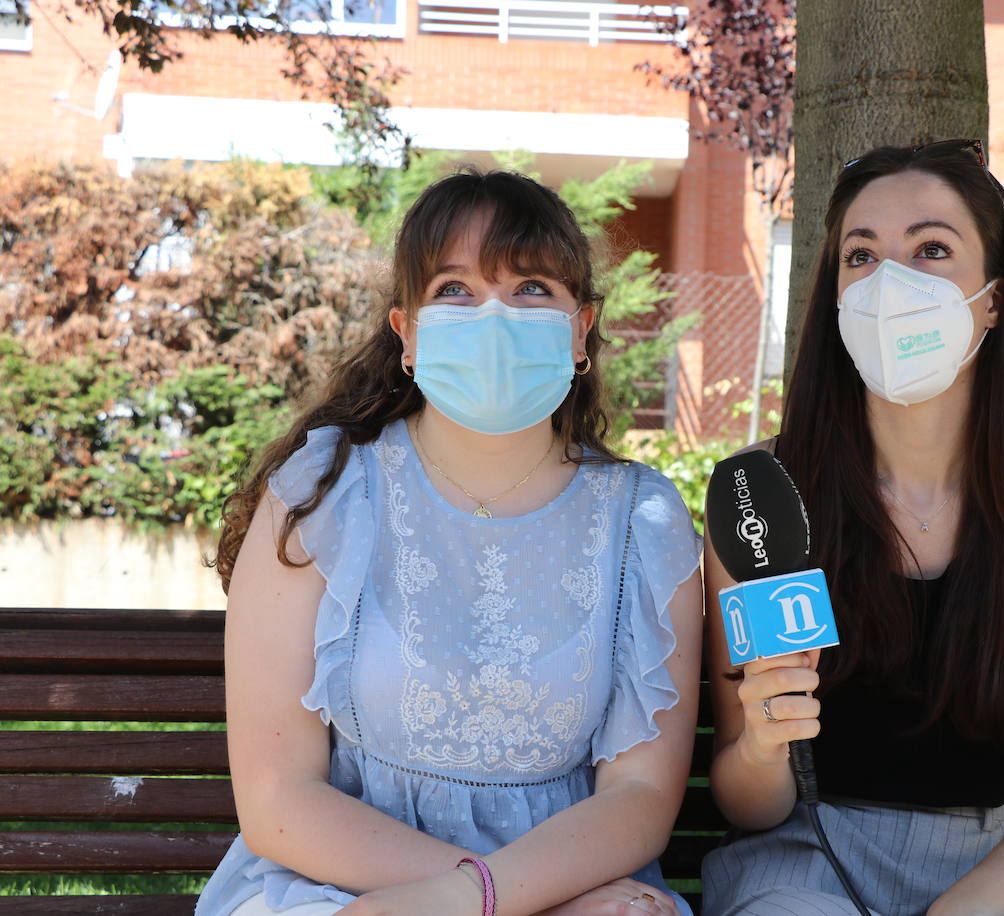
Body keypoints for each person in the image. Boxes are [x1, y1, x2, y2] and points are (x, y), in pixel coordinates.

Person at [196, 168, 703, 916]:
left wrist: (493, 898)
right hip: (340, 886)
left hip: (581, 893)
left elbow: (641, 793)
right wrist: (499, 901)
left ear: (582, 328)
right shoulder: (323, 495)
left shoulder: (644, 521)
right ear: (406, 332)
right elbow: (278, 801)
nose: (493, 316)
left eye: (531, 288)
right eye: (455, 290)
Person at [699, 141, 1004, 916]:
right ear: (834, 298)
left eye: (932, 249)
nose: (891, 284)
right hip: (806, 865)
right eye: (861, 256)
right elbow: (748, 802)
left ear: (993, 301)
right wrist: (765, 739)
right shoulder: (762, 493)